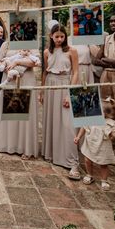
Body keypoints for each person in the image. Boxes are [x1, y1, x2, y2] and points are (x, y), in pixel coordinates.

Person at [40, 21, 81, 180]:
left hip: (65, 84)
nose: (59, 39)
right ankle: (52, 153)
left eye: (62, 36)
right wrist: (42, 91)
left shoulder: (72, 51)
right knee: (51, 120)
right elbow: (44, 72)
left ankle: (73, 161)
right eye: (56, 36)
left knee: (67, 123)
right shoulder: (46, 52)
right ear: (51, 36)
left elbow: (76, 72)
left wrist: (70, 93)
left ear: (65, 37)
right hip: (50, 85)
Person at [74, 100, 115, 191]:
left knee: (104, 164)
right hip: (90, 144)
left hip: (103, 147)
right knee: (87, 160)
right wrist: (78, 137)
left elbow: (113, 135)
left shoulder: (110, 123)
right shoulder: (91, 119)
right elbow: (84, 128)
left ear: (105, 113)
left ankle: (104, 180)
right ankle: (89, 175)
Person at [0, 49, 41, 158]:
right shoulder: (6, 44)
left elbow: (34, 63)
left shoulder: (31, 44)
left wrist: (17, 62)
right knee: (10, 110)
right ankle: (8, 144)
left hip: (26, 79)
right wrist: (6, 67)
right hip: (9, 78)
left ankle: (25, 147)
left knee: (24, 111)